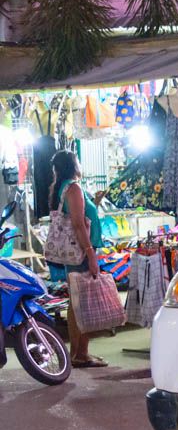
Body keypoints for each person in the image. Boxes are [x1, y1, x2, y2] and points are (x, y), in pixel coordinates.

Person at [49, 150, 107, 368]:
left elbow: (81, 218)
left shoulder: (64, 187)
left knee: (77, 303)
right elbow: (78, 224)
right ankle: (81, 354)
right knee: (82, 303)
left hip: (76, 252)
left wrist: (94, 203)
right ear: (73, 165)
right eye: (78, 161)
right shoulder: (72, 188)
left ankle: (79, 353)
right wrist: (91, 253)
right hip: (80, 253)